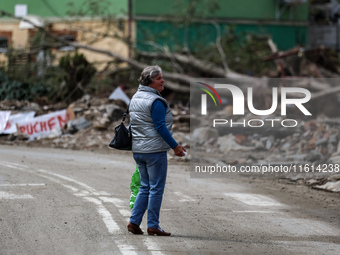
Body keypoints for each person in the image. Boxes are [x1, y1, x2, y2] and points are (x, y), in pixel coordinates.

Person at [127, 65, 186, 236]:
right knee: (156, 188)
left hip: (138, 150)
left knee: (145, 187)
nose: (163, 80)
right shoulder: (156, 101)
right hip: (154, 151)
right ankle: (153, 225)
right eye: (159, 78)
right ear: (150, 81)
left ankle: (134, 222)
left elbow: (134, 124)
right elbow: (160, 126)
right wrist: (175, 146)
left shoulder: (136, 97)